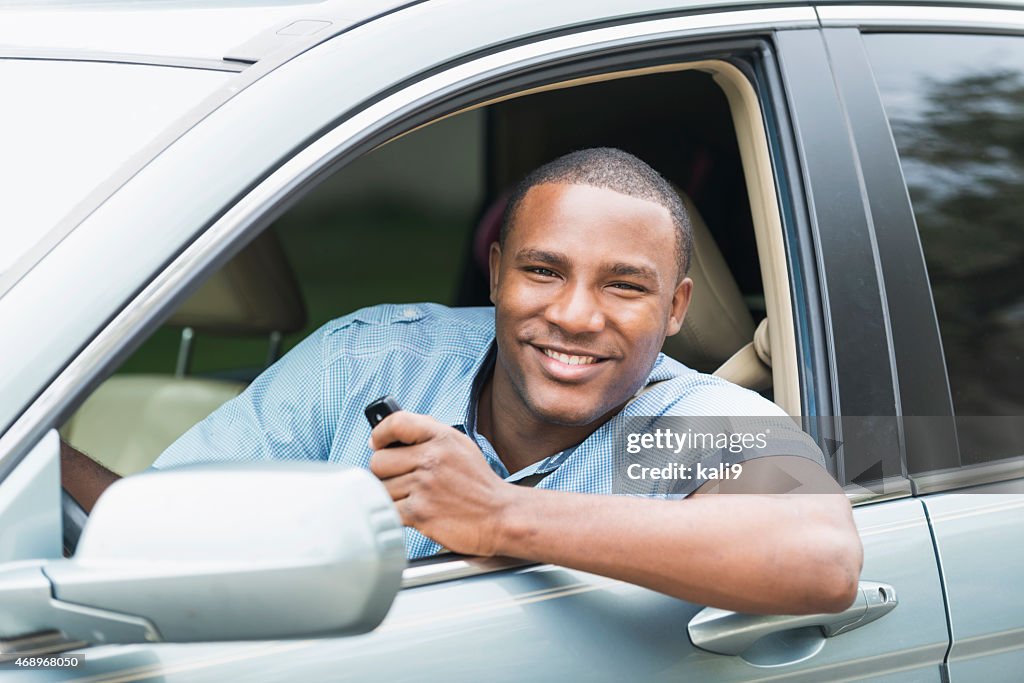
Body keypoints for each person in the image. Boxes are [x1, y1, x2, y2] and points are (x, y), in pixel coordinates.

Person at [63, 147, 862, 615]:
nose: (576, 315)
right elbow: (159, 520)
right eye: (543, 270)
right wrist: (40, 455)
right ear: (495, 273)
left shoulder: (685, 424)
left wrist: (499, 514)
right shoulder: (372, 358)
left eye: (625, 285)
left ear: (677, 306)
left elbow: (821, 556)